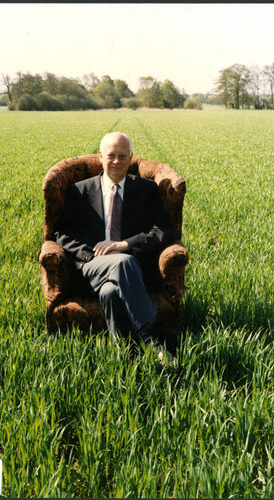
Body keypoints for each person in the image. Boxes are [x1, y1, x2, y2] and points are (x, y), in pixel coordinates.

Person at [54, 132, 177, 365]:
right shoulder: (78, 191)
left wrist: (125, 245)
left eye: (122, 156)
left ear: (131, 158)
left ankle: (125, 354)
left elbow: (162, 231)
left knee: (111, 291)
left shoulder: (146, 190)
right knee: (121, 261)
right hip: (91, 266)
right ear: (100, 157)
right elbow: (62, 233)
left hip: (135, 270)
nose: (117, 161)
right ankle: (152, 342)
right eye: (111, 155)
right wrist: (95, 254)